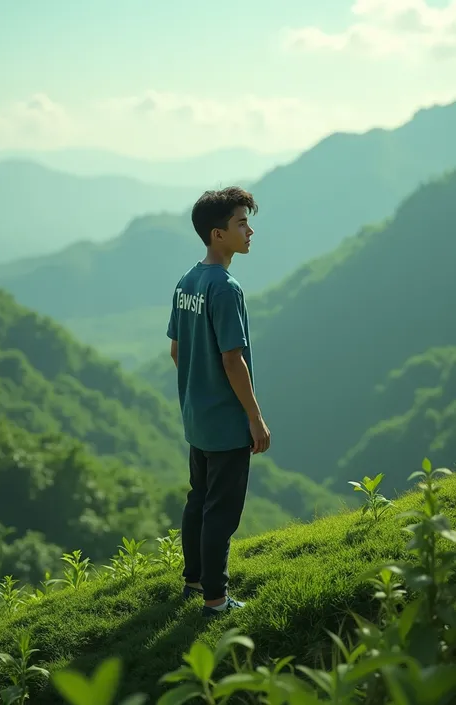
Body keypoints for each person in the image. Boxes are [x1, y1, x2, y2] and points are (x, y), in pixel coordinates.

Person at [166, 186, 271, 617]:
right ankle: (216, 600)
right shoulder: (225, 289)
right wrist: (255, 418)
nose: (250, 231)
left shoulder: (187, 280)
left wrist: (199, 389)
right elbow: (233, 360)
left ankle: (194, 581)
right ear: (217, 234)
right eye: (241, 223)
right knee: (221, 514)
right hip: (226, 423)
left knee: (199, 500)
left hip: (197, 416)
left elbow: (175, 351)